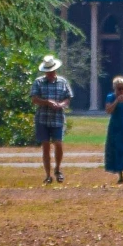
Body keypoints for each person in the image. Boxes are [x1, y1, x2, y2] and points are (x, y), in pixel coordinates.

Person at [32, 53, 73, 184]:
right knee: (45, 147)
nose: (49, 73)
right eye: (47, 71)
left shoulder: (62, 82)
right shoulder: (38, 82)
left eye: (51, 71)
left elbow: (68, 97)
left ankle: (58, 169)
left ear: (55, 69)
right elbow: (34, 99)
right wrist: (47, 102)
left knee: (58, 144)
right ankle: (48, 175)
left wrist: (61, 104)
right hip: (42, 119)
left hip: (58, 118)